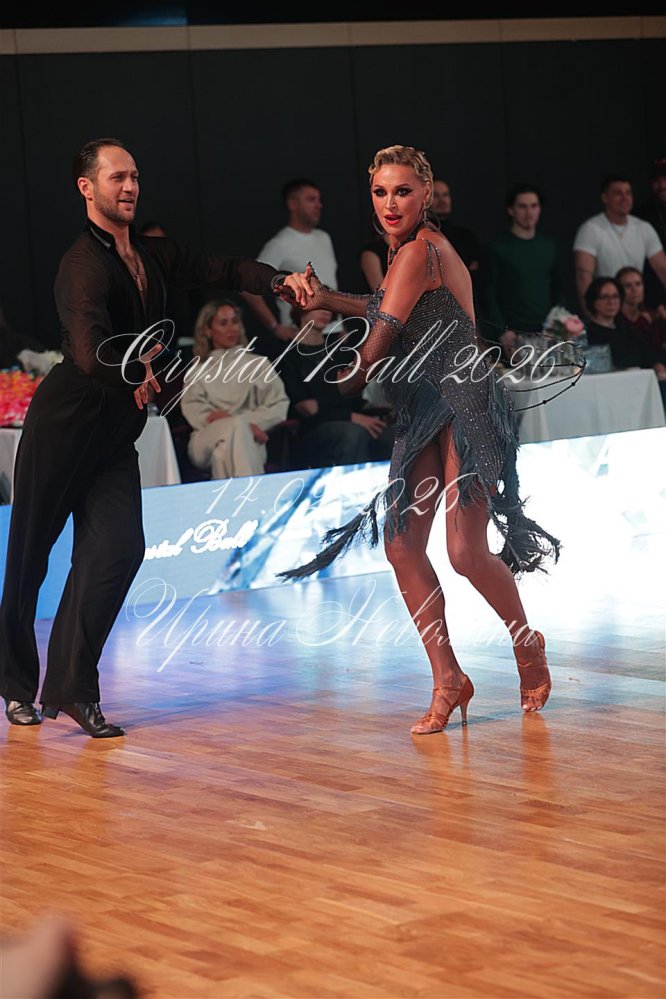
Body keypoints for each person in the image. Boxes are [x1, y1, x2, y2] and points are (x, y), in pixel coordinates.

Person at [0, 138, 300, 737]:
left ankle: (72, 687)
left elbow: (222, 268)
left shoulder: (152, 255)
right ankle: (13, 684)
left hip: (114, 433)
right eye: (117, 177)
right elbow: (89, 352)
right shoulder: (80, 266)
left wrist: (279, 281)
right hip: (64, 427)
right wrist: (137, 372)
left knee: (119, 550)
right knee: (30, 558)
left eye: (134, 176)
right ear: (87, 187)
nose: (130, 186)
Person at [277, 145, 559, 733]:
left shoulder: (421, 249)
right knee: (402, 546)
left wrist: (341, 377)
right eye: (380, 192)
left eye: (402, 191)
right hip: (422, 406)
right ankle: (447, 678)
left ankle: (526, 641)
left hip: (466, 403)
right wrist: (325, 299)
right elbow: (386, 303)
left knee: (464, 552)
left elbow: (381, 335)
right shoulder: (404, 253)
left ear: (426, 195)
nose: (390, 203)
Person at [180, 299, 289, 478]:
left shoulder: (257, 364)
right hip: (206, 439)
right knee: (235, 427)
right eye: (223, 323)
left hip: (250, 439)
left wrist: (242, 423)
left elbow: (278, 405)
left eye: (235, 321)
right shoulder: (197, 370)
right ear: (207, 330)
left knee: (222, 452)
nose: (232, 329)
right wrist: (244, 425)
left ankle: (234, 494)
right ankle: (252, 492)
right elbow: (194, 410)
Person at [278, 304, 393, 469]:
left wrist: (335, 404)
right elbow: (308, 408)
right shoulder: (288, 355)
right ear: (301, 310)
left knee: (391, 436)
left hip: (352, 417)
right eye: (318, 307)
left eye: (328, 308)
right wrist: (349, 414)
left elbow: (352, 395)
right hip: (312, 429)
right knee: (352, 434)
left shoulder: (340, 351)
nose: (325, 312)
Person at [242, 178, 338, 346]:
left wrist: (341, 326)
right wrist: (275, 326)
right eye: (311, 200)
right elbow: (247, 284)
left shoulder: (324, 238)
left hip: (332, 332)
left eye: (319, 200)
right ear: (293, 204)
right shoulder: (280, 244)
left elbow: (331, 282)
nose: (319, 205)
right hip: (302, 335)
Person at [481, 183, 561, 360]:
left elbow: (558, 288)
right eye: (523, 206)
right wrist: (502, 330)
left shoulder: (548, 245)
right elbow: (488, 293)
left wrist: (558, 325)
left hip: (546, 331)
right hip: (513, 332)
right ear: (511, 210)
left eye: (534, 206)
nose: (529, 212)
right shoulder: (497, 247)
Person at [573, 175, 666, 313]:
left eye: (628, 193)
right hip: (606, 309)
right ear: (605, 198)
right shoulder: (590, 229)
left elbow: (663, 269)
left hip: (635, 308)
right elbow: (583, 276)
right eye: (618, 194)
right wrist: (591, 314)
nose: (625, 198)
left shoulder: (643, 228)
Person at [583, 277, 666, 397]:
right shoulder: (586, 333)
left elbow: (649, 354)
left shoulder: (628, 330)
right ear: (593, 301)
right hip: (607, 390)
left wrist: (658, 366)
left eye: (615, 296)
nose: (611, 302)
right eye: (604, 297)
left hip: (637, 387)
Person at [430, 178, 480, 273]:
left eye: (445, 195)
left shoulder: (466, 237)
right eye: (435, 195)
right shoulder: (420, 236)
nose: (442, 200)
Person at [616, 265, 666, 360]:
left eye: (638, 284)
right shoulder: (614, 319)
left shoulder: (654, 317)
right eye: (628, 286)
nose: (634, 290)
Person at [635, 158, 666, 308]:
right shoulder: (641, 214)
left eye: (665, 179)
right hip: (653, 291)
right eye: (657, 181)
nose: (662, 185)